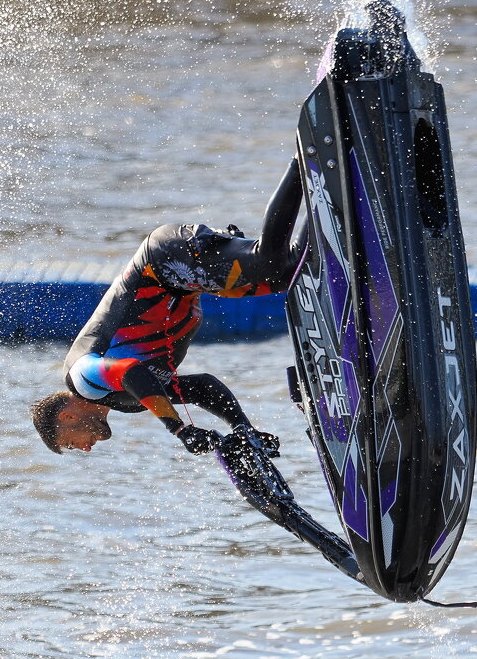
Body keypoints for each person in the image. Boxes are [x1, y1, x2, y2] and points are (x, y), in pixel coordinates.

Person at [31, 157, 305, 456]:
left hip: (162, 266)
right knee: (298, 269)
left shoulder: (83, 379)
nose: (85, 448)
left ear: (66, 417)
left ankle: (302, 161)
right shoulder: (129, 401)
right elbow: (203, 388)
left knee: (267, 262)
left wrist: (179, 429)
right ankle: (333, 200)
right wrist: (244, 430)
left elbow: (131, 371)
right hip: (187, 283)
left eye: (72, 442)